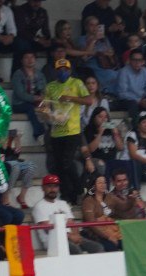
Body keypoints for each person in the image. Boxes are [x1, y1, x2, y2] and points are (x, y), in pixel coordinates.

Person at [44, 58, 94, 203]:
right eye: (59, 70)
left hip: (72, 130)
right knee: (59, 165)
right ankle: (68, 194)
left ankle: (78, 189)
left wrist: (70, 98)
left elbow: (89, 100)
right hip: (56, 130)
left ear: (70, 70)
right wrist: (50, 115)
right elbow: (43, 106)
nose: (62, 72)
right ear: (55, 71)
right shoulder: (50, 87)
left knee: (67, 161)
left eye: (65, 69)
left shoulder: (76, 83)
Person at [33, 174, 104, 254]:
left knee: (98, 248)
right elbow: (48, 229)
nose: (53, 189)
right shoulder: (39, 206)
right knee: (76, 250)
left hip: (71, 237)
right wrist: (71, 237)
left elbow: (72, 223)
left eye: (55, 186)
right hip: (53, 241)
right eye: (49, 186)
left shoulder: (63, 203)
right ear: (43, 188)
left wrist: (76, 235)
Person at [12, 50, 48, 141]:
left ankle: (51, 136)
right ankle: (39, 134)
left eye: (32, 57)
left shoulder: (40, 74)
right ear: (22, 60)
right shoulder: (18, 74)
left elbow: (44, 90)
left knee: (48, 109)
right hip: (19, 103)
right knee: (30, 108)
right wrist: (35, 98)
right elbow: (20, 94)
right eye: (26, 57)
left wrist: (44, 100)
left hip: (36, 102)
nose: (30, 60)